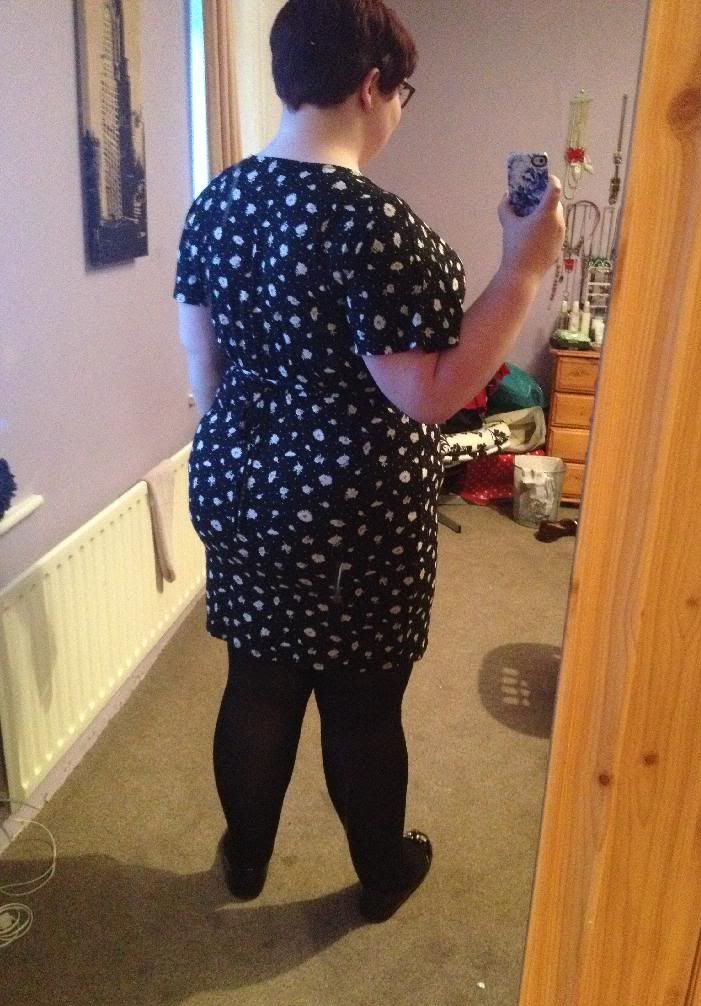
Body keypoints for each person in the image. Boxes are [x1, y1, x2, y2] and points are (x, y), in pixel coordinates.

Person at [173, 0, 564, 922]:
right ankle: (383, 874)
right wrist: (523, 269)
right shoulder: (379, 226)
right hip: (354, 511)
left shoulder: (217, 202)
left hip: (238, 483)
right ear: (373, 83)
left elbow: (202, 367)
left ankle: (245, 860)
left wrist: (262, 452)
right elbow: (429, 395)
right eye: (402, 93)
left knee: (258, 678)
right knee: (359, 703)